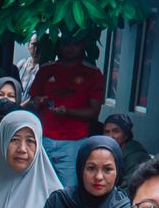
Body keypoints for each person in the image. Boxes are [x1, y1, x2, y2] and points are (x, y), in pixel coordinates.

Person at [27, 37, 103, 185]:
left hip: (74, 141)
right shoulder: (46, 70)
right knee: (38, 185)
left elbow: (94, 113)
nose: (70, 48)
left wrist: (68, 111)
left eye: (75, 43)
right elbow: (32, 102)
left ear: (83, 45)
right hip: (43, 137)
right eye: (66, 43)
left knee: (69, 188)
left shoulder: (92, 73)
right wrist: (37, 102)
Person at [102, 112, 151, 180]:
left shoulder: (136, 157)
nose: (110, 136)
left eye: (116, 131)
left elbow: (130, 184)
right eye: (107, 132)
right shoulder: (108, 152)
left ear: (126, 135)